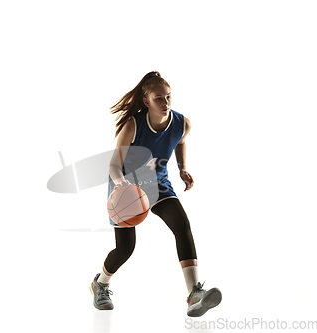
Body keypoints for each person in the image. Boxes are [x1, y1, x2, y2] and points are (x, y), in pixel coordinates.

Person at [89, 71, 222, 317]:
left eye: (168, 97)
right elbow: (114, 165)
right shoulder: (133, 125)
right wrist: (121, 186)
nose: (166, 102)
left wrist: (182, 169)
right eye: (158, 98)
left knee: (182, 225)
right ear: (146, 101)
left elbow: (180, 141)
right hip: (126, 186)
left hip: (158, 184)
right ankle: (101, 284)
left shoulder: (182, 123)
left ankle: (195, 294)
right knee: (126, 249)